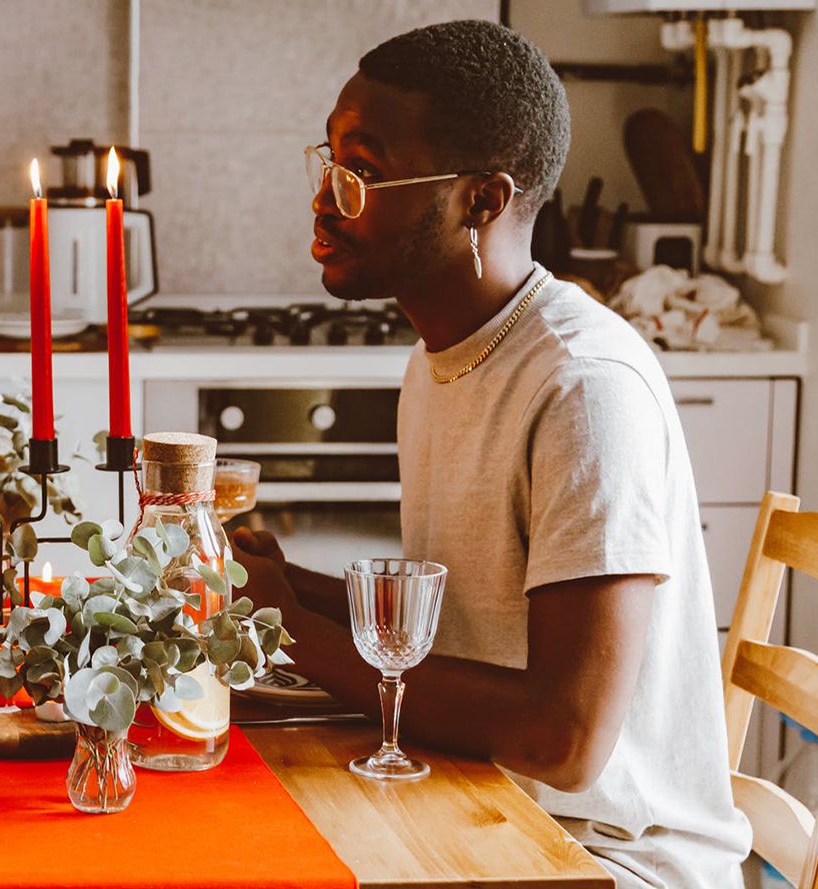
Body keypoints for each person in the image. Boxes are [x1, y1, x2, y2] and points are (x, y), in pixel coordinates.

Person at [233, 20, 749, 888]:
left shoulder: (583, 385)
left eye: (364, 170)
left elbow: (565, 739)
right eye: (328, 162)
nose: (327, 197)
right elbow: (464, 626)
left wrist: (292, 627)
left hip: (604, 858)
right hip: (480, 804)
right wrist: (279, 588)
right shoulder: (441, 354)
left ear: (482, 200)